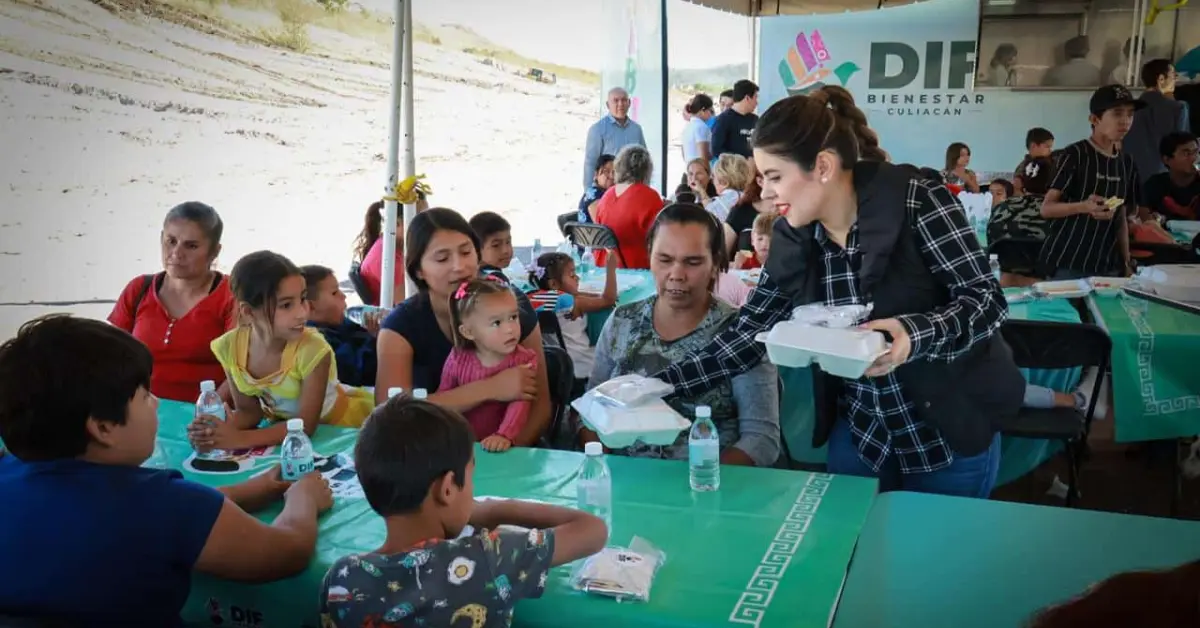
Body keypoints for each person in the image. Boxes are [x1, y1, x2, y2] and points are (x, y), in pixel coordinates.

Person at [654, 87, 1024, 498]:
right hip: (863, 439)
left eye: (775, 176)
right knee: (854, 556)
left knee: (935, 559)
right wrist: (655, 386)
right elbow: (746, 334)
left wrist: (911, 334)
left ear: (824, 166)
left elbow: (986, 301)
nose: (766, 192)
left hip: (946, 437)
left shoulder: (917, 201)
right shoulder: (796, 238)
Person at [0, 315, 333, 626]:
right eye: (145, 396)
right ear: (103, 428)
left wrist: (246, 491)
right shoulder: (166, 504)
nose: (157, 402)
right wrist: (303, 500)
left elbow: (104, 515)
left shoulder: (7, 474)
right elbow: (286, 552)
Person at [319, 397, 607, 627]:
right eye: (470, 478)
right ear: (447, 489)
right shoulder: (487, 557)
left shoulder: (342, 578)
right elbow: (592, 530)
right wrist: (497, 510)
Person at [585, 203, 781, 467]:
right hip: (625, 485)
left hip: (709, 490)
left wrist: (700, 479)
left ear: (715, 265)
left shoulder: (740, 334)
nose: (676, 275)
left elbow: (761, 439)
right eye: (664, 260)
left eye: (693, 262)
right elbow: (590, 412)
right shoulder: (623, 321)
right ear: (649, 258)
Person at [374, 208, 553, 447]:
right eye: (442, 258)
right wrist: (490, 388)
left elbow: (540, 408)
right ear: (418, 270)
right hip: (434, 457)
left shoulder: (509, 303)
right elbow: (392, 417)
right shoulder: (399, 329)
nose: (459, 266)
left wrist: (503, 457)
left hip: (509, 457)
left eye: (466, 252)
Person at [191, 251, 376, 453]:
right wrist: (215, 433)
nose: (302, 313)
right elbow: (249, 412)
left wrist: (239, 438)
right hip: (283, 433)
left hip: (341, 426)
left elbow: (306, 425)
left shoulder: (313, 349)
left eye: (302, 299)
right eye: (286, 305)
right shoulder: (230, 347)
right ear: (249, 312)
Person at [108, 201, 235, 402]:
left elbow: (240, 370)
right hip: (140, 415)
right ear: (161, 239)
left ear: (214, 251)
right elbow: (112, 357)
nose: (176, 253)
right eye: (171, 241)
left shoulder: (231, 295)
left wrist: (209, 413)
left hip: (207, 419)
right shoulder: (139, 289)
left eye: (191, 246)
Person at [1039, 85, 1147, 280]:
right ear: (1094, 119)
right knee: (1069, 311)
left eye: (1130, 114)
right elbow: (1047, 209)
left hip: (1108, 265)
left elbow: (1120, 216)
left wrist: (1126, 262)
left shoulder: (1127, 163)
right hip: (1068, 262)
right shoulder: (1075, 154)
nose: (1125, 121)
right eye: (1117, 113)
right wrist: (1084, 206)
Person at [438, 278, 539, 453]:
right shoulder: (457, 358)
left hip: (504, 447)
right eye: (497, 323)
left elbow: (520, 404)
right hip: (462, 446)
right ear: (468, 332)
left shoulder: (524, 360)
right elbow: (445, 395)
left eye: (513, 317)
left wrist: (504, 435)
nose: (510, 329)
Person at [527, 250, 617, 396]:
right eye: (571, 274)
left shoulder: (534, 298)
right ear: (554, 283)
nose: (577, 277)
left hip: (555, 366)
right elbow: (609, 300)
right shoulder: (570, 302)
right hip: (581, 366)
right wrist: (611, 268)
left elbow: (577, 295)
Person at [301, 265, 378, 388]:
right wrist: (373, 339)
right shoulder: (319, 342)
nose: (343, 296)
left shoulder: (338, 322)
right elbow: (357, 371)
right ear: (310, 307)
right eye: (334, 293)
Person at [594, 144, 664, 270]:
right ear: (646, 170)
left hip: (604, 268)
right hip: (636, 269)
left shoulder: (607, 195)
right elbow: (660, 238)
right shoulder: (649, 196)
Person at [354, 196, 429, 307]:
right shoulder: (388, 260)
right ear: (396, 223)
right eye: (419, 219)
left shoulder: (391, 245)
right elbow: (408, 305)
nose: (426, 225)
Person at [1125, 59, 1187, 184]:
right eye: (1174, 75)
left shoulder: (1128, 108)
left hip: (1129, 176)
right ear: (1161, 79)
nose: (1176, 79)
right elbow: (1183, 148)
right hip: (1162, 179)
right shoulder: (1177, 108)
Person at [582, 87, 646, 189]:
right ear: (608, 105)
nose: (620, 104)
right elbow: (590, 163)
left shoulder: (636, 129)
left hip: (632, 188)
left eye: (624, 100)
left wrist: (645, 187)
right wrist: (589, 192)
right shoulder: (598, 129)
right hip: (607, 189)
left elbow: (644, 161)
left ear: (629, 103)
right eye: (616, 100)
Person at [1143, 131, 1199, 222]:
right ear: (1167, 160)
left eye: (1196, 152)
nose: (1194, 158)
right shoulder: (1154, 184)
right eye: (1186, 153)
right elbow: (1142, 215)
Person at [711, 79, 759, 160]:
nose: (756, 102)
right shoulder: (723, 120)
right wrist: (740, 161)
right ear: (747, 98)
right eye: (755, 98)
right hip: (733, 170)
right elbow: (716, 149)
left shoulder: (755, 119)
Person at [703, 153, 752, 221]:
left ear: (724, 182)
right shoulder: (752, 199)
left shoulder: (715, 207)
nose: (711, 179)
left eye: (714, 176)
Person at [1013, 128, 1055, 195]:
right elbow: (1017, 189)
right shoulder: (1022, 168)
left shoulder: (1053, 162)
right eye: (1047, 147)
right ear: (1033, 146)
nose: (1050, 150)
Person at [578, 154, 615, 222]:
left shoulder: (606, 193)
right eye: (606, 171)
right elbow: (601, 226)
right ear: (596, 174)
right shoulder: (594, 195)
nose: (611, 176)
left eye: (614, 172)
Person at [682, 93, 715, 164]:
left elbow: (684, 154)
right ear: (703, 110)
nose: (711, 114)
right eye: (710, 111)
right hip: (700, 171)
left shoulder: (687, 127)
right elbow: (703, 157)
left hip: (689, 169)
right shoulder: (702, 127)